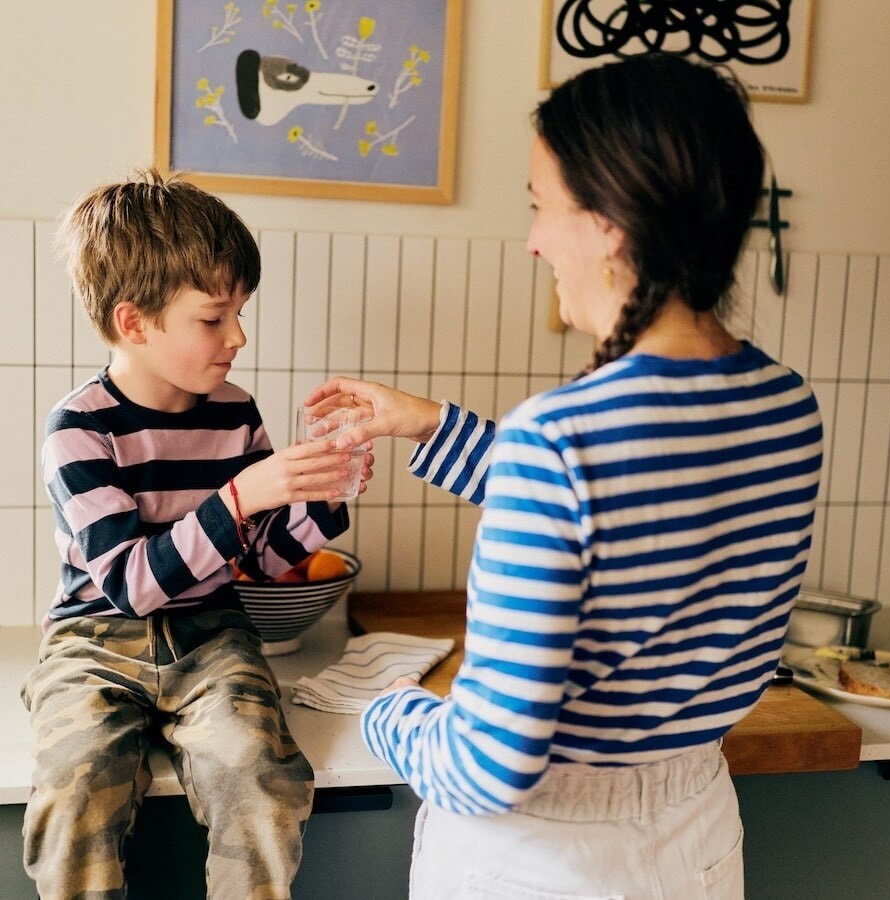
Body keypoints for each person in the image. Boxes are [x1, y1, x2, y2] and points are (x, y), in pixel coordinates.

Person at [305, 54, 823, 899]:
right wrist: (432, 423)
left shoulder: (560, 441)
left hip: (545, 862)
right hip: (697, 838)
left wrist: (388, 709)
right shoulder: (784, 407)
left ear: (612, 225)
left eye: (543, 206)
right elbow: (635, 504)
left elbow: (482, 767)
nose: (533, 239)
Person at [21, 169, 372, 899]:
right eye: (215, 318)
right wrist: (245, 494)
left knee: (258, 767)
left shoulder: (235, 414)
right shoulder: (79, 431)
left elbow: (259, 563)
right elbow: (134, 585)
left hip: (213, 635)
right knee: (76, 779)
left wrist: (324, 497)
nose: (239, 336)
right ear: (134, 322)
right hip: (96, 638)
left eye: (240, 311)